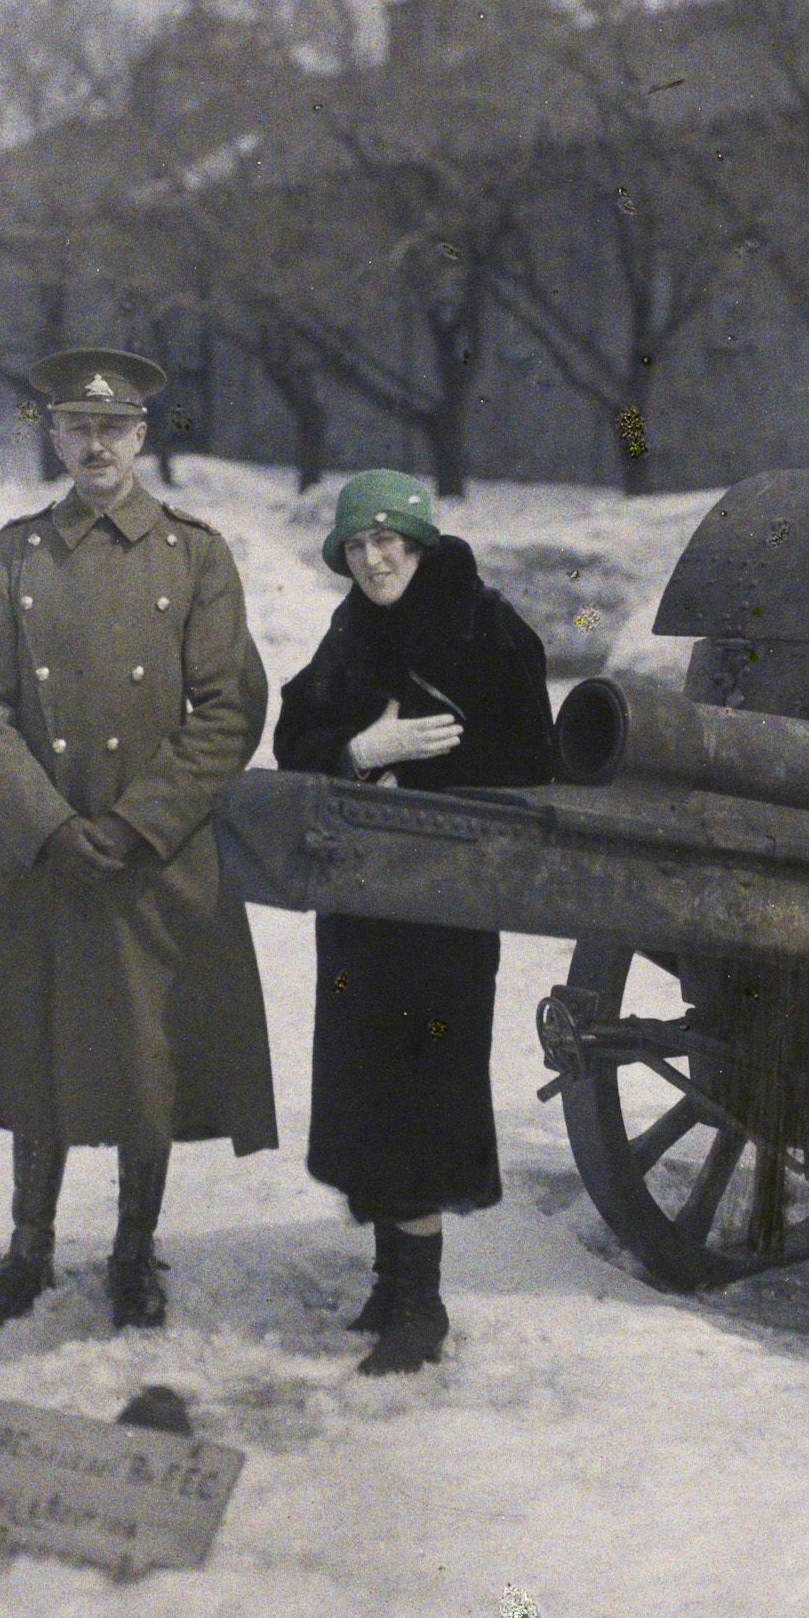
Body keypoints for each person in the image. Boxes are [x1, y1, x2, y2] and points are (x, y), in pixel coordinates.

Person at [0, 349, 277, 1333]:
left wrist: (139, 821)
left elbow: (227, 709)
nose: (96, 443)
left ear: (142, 438)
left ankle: (132, 1251)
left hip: (151, 850)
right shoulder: (17, 551)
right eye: (77, 425)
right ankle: (26, 1247)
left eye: (115, 428)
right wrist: (48, 825)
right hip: (38, 849)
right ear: (57, 435)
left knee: (142, 1051)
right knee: (35, 1048)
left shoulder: (195, 553)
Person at [272, 469, 555, 1376]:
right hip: (362, 894)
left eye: (388, 540)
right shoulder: (351, 627)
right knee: (362, 1075)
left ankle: (423, 1304)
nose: (373, 557)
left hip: (443, 896)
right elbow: (294, 736)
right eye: (356, 546)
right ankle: (391, 1283)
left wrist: (429, 777)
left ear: (422, 542)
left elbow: (533, 763)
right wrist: (361, 751)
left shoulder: (487, 626)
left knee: (423, 1083)